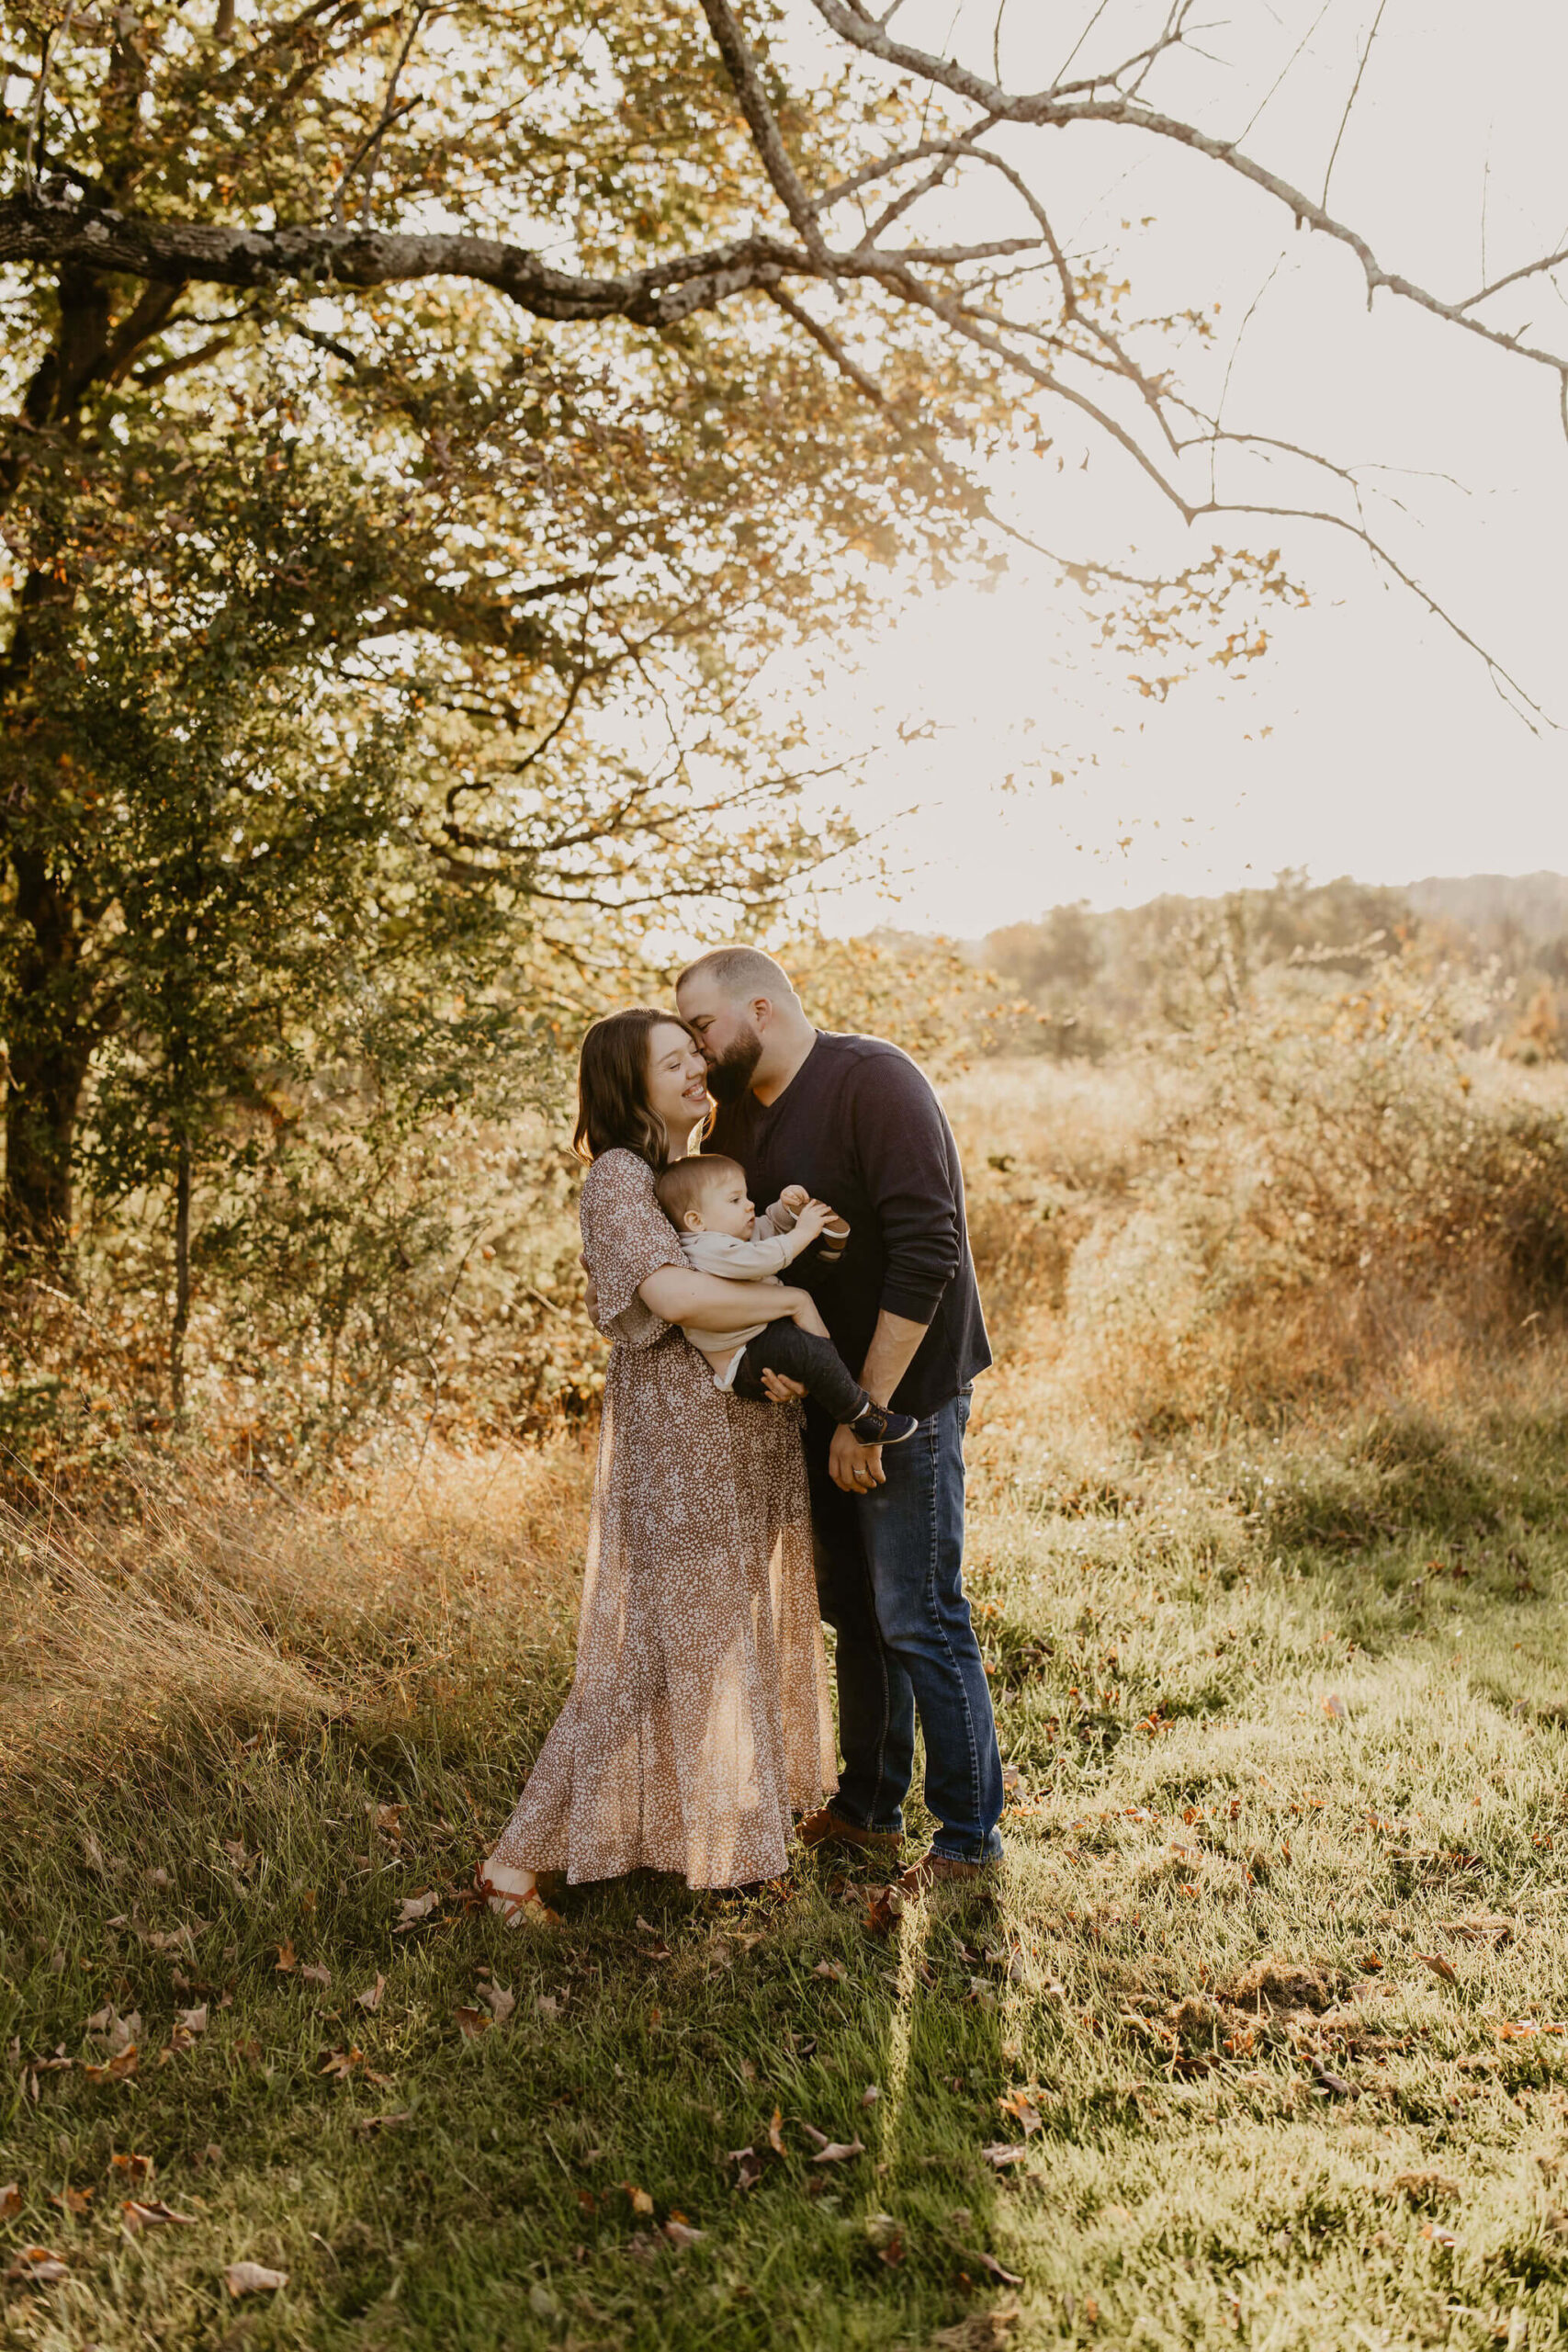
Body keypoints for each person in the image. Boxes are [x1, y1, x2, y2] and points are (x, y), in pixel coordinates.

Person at [479, 1006, 837, 1917]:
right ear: (627, 1083)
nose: (695, 1070)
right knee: (647, 1656)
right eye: (672, 1062)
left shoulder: (690, 1171)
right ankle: (516, 1861)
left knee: (711, 1642)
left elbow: (725, 1284)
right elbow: (674, 1296)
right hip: (681, 1454)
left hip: (736, 1439)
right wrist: (791, 1296)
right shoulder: (618, 1178)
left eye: (693, 1056)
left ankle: (723, 1836)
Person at [676, 946, 1003, 1891]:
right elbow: (741, 1256)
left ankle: (969, 1840)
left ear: (762, 1009)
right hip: (824, 1402)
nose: (697, 1051)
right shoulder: (736, 1118)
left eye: (702, 1027)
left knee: (919, 1613)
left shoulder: (874, 1082)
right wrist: (780, 1372)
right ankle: (867, 1809)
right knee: (857, 1612)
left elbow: (929, 1249)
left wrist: (869, 1411)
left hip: (908, 1397)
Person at [652, 1153, 918, 1444]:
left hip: (760, 1335)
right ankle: (863, 1419)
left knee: (805, 1302)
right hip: (744, 1357)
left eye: (746, 1196)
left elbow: (767, 1229)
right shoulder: (704, 1247)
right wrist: (804, 1231)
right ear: (695, 1220)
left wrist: (783, 1210)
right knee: (809, 1351)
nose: (749, 1204)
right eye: (734, 1201)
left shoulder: (729, 1235)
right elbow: (760, 1259)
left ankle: (829, 1254)